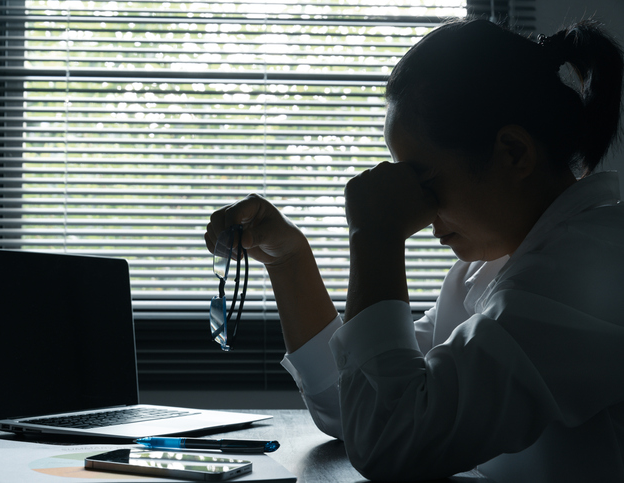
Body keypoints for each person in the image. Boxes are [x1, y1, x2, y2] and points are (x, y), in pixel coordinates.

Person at [205, 18, 624, 482]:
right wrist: (289, 262)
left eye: (424, 181)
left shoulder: (593, 269)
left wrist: (377, 236)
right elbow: (354, 409)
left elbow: (389, 440)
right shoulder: (490, 270)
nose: (420, 212)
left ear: (514, 153)